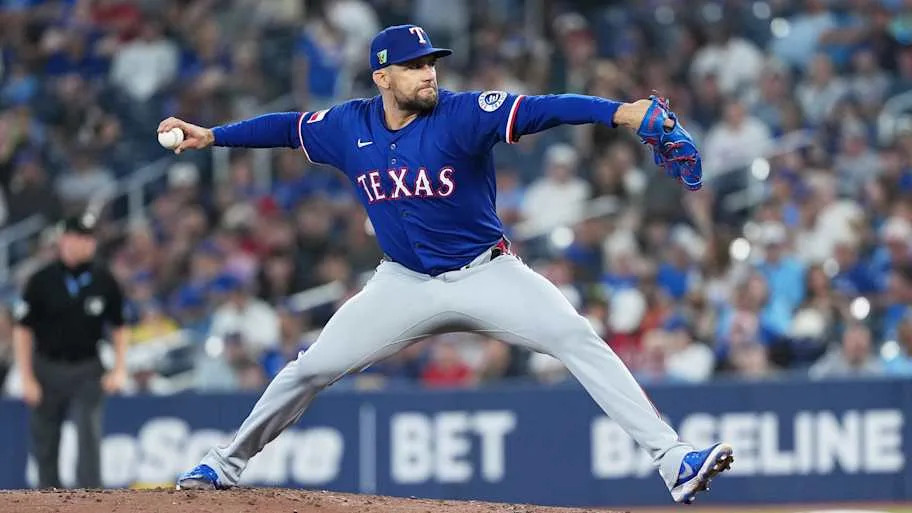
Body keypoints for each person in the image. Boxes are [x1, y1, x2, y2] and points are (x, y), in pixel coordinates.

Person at [162, 24, 732, 504]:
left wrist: (622, 113)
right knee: (310, 368)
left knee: (577, 337)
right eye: (413, 67)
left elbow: (543, 109)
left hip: (486, 273)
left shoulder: (462, 113)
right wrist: (212, 136)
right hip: (402, 283)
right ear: (382, 78)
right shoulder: (348, 125)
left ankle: (674, 459)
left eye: (431, 63)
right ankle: (224, 464)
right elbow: (285, 128)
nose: (428, 73)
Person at [12, 213, 129, 488]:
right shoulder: (41, 280)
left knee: (89, 435)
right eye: (80, 237)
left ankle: (91, 499)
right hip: (47, 368)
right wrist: (26, 376)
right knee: (46, 439)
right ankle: (47, 499)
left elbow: (120, 326)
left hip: (87, 367)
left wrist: (120, 368)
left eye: (90, 238)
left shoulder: (104, 279)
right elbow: (23, 329)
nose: (87, 244)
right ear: (65, 239)